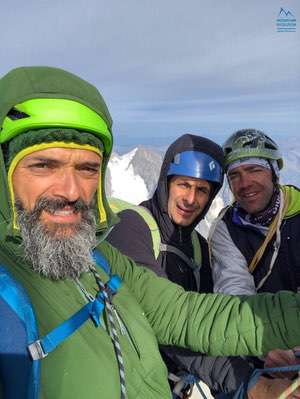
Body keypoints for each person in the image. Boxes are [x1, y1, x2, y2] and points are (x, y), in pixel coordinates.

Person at [0, 68, 300, 399]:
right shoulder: (132, 230)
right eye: (44, 165)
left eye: (87, 169)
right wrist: (248, 383)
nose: (71, 191)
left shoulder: (100, 258)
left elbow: (184, 315)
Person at [107, 134, 256, 397]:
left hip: (178, 384)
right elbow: (167, 320)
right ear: (166, 183)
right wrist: (246, 382)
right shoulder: (131, 228)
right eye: (183, 185)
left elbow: (211, 319)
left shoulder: (198, 246)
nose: (190, 199)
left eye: (202, 190)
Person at [209, 128, 300, 385]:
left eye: (254, 170)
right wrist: (265, 346)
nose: (245, 183)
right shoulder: (226, 229)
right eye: (235, 175)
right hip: (266, 351)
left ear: (274, 172)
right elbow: (235, 292)